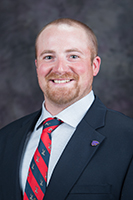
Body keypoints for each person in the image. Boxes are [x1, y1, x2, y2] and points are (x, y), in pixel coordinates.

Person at [0, 18, 133, 200]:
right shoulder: (5, 138)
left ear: (94, 66)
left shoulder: (128, 138)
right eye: (48, 57)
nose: (60, 68)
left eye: (73, 56)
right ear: (37, 66)